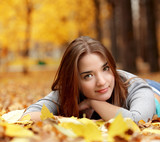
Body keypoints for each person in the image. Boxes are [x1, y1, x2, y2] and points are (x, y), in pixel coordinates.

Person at [23, 36, 160, 123]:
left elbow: (138, 121)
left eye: (105, 68)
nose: (101, 81)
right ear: (74, 81)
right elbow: (28, 116)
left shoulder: (136, 87)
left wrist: (93, 103)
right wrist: (67, 121)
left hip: (152, 89)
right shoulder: (68, 92)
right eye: (88, 76)